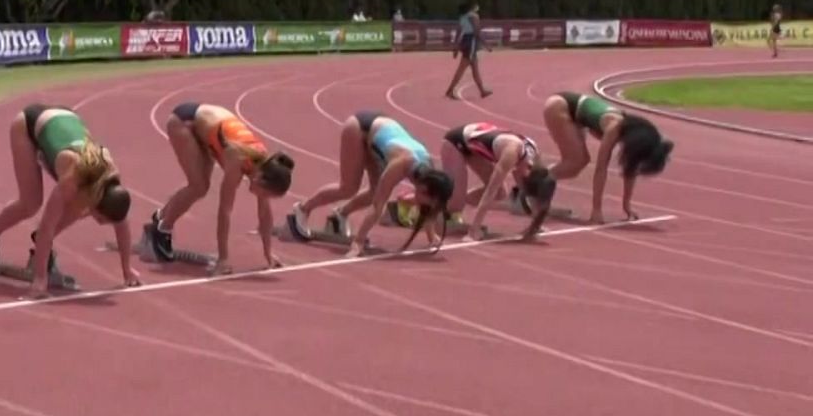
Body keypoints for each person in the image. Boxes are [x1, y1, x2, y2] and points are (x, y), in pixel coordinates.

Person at [0, 104, 141, 296]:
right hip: (29, 125)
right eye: (100, 219)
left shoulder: (111, 178)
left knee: (78, 207)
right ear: (97, 199)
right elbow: (47, 225)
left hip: (63, 119)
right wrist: (40, 280)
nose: (100, 224)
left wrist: (127, 270)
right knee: (30, 203)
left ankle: (40, 248)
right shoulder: (73, 177)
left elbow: (122, 223)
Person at [144, 102, 294, 274]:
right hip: (184, 121)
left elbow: (264, 215)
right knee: (198, 186)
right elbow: (225, 211)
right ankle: (161, 230)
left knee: (201, 186)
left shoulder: (266, 165)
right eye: (266, 194)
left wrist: (268, 253)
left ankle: (160, 219)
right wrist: (223, 259)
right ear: (260, 179)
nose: (263, 197)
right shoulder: (237, 161)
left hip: (207, 129)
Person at [288, 111, 455, 257]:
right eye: (427, 202)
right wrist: (358, 242)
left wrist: (431, 236)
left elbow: (429, 209)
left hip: (378, 136)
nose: (421, 205)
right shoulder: (401, 164)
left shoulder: (429, 173)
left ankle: (341, 213)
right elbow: (377, 206)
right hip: (359, 128)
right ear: (424, 189)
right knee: (348, 188)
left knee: (373, 191)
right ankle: (302, 209)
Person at [541, 92, 672, 225]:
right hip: (560, 106)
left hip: (574, 114)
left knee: (578, 163)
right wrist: (596, 210)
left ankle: (534, 189)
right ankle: (531, 185)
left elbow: (630, 169)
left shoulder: (629, 133)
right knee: (575, 162)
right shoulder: (614, 128)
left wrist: (626, 205)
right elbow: (601, 169)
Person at [438, 121, 556, 239]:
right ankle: (431, 212)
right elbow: (490, 191)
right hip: (455, 142)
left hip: (474, 147)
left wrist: (536, 225)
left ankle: (459, 200)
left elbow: (538, 198)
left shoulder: (536, 163)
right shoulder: (511, 154)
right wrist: (474, 229)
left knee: (500, 193)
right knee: (456, 205)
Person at [444, 0, 492, 99]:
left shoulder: (463, 17)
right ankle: (450, 90)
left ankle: (482, 90)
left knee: (475, 69)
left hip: (465, 41)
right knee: (462, 68)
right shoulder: (473, 16)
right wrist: (486, 44)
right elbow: (476, 31)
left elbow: (458, 32)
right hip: (471, 42)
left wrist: (456, 47)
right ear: (472, 7)